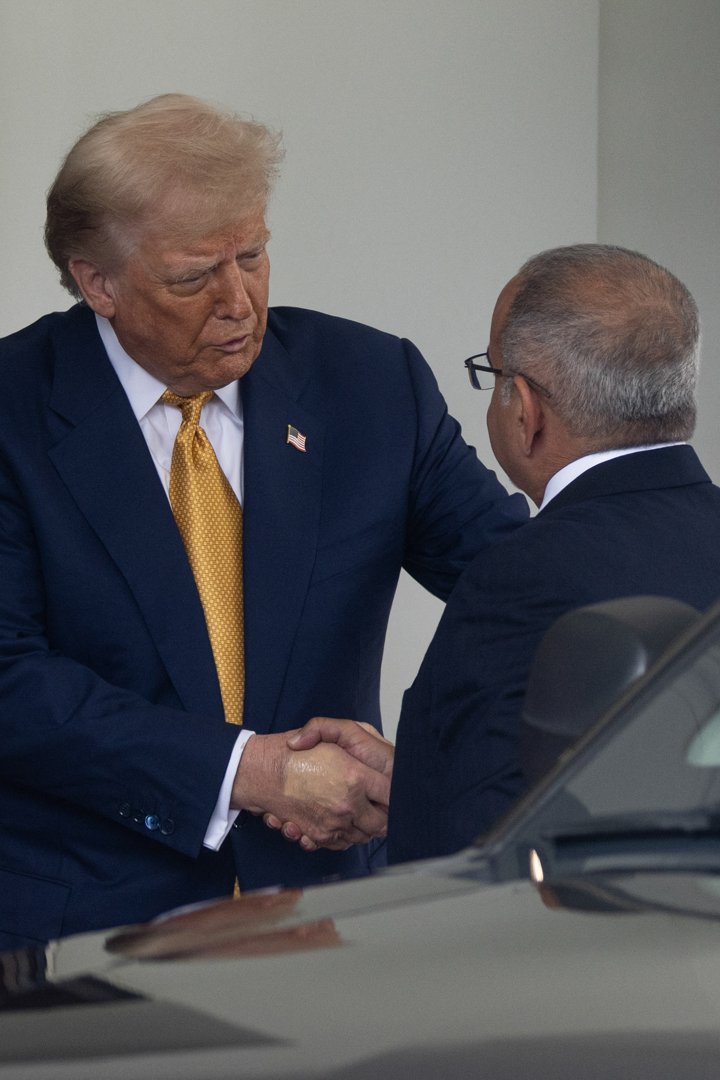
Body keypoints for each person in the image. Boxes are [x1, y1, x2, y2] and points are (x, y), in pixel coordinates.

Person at [0, 94, 526, 946]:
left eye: (253, 255)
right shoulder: (14, 410)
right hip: (85, 932)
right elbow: (9, 680)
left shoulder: (371, 384)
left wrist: (433, 771)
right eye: (194, 276)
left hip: (329, 919)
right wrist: (248, 772)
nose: (240, 301)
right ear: (96, 280)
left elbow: (521, 595)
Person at [287, 244, 720, 864]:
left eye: (490, 376)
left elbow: (469, 852)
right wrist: (413, 779)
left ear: (525, 408)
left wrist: (426, 799)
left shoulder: (520, 575)